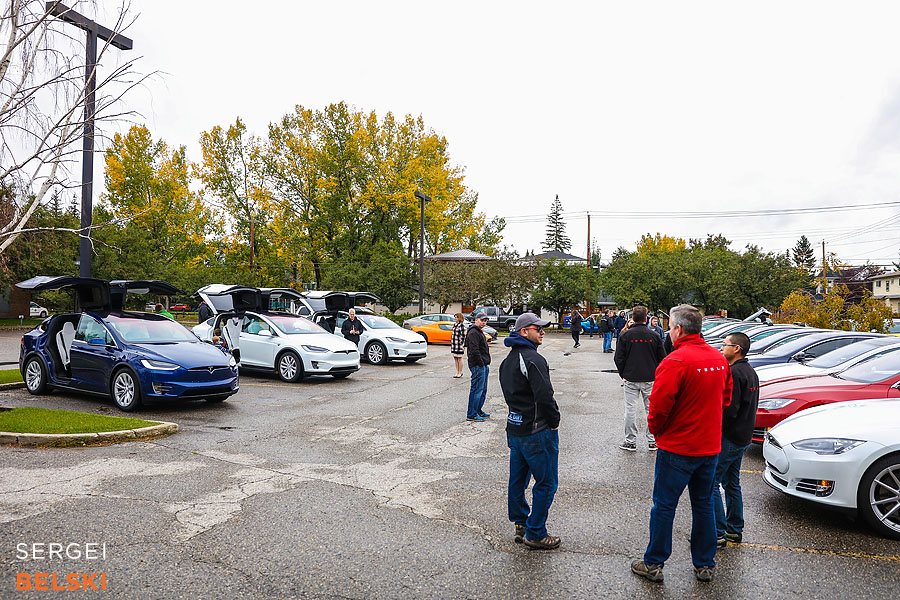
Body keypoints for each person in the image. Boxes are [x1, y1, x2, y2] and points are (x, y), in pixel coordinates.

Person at [631, 304, 732, 584]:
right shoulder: (719, 359)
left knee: (664, 506)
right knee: (702, 505)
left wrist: (658, 432)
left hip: (677, 448)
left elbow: (659, 407)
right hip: (709, 447)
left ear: (678, 329)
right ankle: (704, 564)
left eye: (671, 328)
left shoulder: (675, 361)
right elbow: (725, 400)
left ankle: (654, 562)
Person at [499, 312, 561, 550]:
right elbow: (545, 396)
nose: (543, 332)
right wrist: (554, 420)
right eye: (539, 328)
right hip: (537, 432)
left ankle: (521, 524)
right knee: (546, 483)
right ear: (524, 331)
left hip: (515, 429)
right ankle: (535, 532)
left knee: (518, 480)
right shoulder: (533, 359)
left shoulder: (508, 360)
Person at [713, 331, 759, 548]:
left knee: (710, 484)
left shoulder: (734, 373)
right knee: (732, 483)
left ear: (736, 349)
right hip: (743, 436)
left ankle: (717, 532)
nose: (722, 349)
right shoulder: (750, 372)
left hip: (730, 437)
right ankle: (734, 529)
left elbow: (730, 409)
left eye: (725, 345)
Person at [614, 306, 666, 452]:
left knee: (630, 409)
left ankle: (630, 441)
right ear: (646, 318)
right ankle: (652, 441)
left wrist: (623, 373)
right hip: (650, 378)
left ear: (633, 318)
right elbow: (662, 358)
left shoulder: (625, 335)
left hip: (631, 377)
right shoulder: (654, 336)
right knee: (651, 410)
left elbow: (619, 358)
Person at [465, 312, 491, 422]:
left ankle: (478, 410)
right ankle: (472, 414)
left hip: (483, 365)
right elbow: (474, 350)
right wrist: (480, 363)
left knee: (483, 390)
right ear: (476, 320)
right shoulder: (473, 333)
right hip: (477, 366)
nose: (484, 322)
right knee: (477, 390)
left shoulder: (479, 332)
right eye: (482, 320)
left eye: (485, 321)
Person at [450, 312, 466, 378]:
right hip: (454, 344)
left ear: (459, 318)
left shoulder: (461, 325)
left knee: (459, 358)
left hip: (459, 345)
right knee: (455, 358)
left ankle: (460, 372)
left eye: (456, 317)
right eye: (455, 317)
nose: (455, 318)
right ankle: (457, 372)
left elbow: (463, 335)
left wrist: (460, 343)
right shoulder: (455, 325)